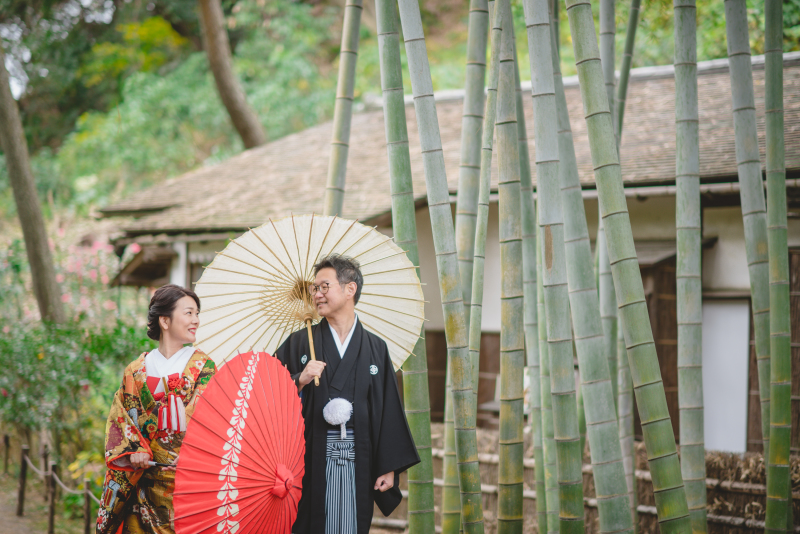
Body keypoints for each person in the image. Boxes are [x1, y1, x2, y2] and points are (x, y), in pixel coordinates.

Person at [276, 254, 420, 534]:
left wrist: (388, 466)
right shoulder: (300, 342)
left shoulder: (376, 347)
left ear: (350, 289)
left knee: (351, 522)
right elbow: (268, 390)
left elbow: (388, 409)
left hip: (360, 455)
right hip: (310, 457)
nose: (317, 294)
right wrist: (299, 380)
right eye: (315, 288)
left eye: (324, 287)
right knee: (310, 523)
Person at [97, 284, 216, 534]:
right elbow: (121, 419)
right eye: (189, 313)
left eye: (197, 314)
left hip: (185, 483)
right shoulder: (135, 370)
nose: (196, 320)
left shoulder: (204, 368)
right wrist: (135, 450)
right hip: (142, 481)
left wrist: (186, 451)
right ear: (165, 320)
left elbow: (211, 420)